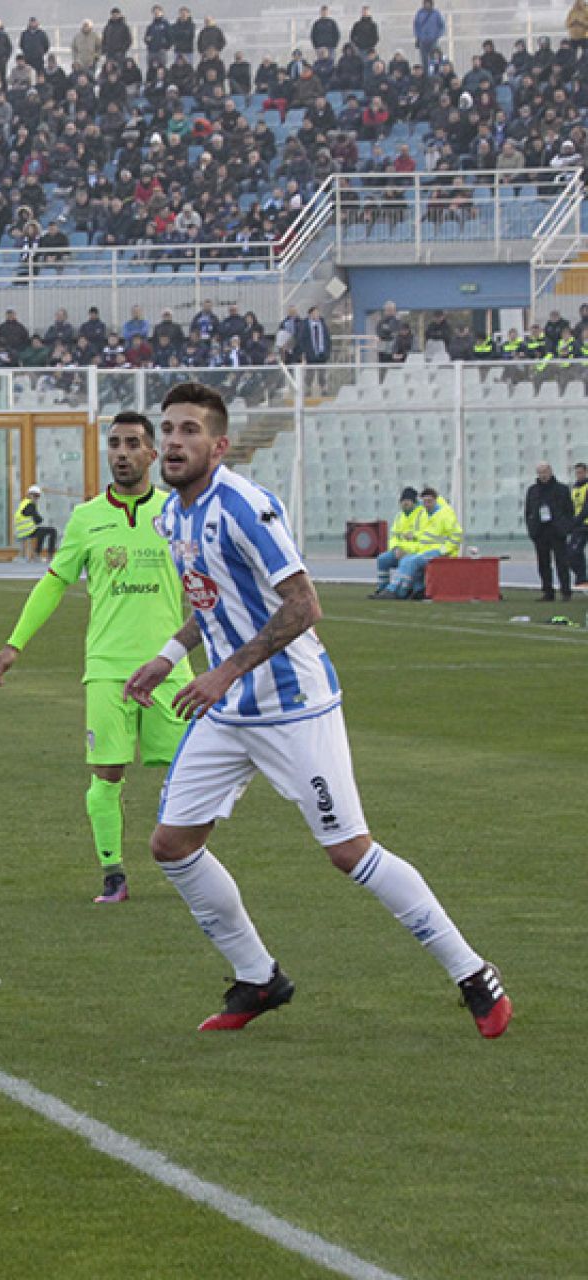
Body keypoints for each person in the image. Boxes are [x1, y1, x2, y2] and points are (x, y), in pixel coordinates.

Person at [122, 382, 510, 1038]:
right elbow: (215, 602)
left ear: (219, 445)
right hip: (230, 709)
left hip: (294, 705)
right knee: (172, 844)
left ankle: (473, 973)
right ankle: (258, 977)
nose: (175, 442)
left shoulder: (244, 506)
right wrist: (170, 655)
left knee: (349, 852)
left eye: (190, 431)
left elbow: (304, 605)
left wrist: (223, 670)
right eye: (169, 430)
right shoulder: (173, 516)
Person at [0, 413, 193, 904]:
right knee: (107, 774)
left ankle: (187, 864)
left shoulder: (178, 513)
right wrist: (15, 644)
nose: (121, 453)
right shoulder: (86, 518)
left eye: (133, 444)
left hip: (169, 667)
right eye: (114, 444)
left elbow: (209, 584)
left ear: (152, 454)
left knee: (190, 774)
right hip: (107, 669)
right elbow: (54, 582)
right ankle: (113, 874)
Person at [383, 486, 460, 600]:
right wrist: (413, 536)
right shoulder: (425, 514)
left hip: (440, 551)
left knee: (412, 561)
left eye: (429, 501)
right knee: (406, 559)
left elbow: (456, 535)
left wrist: (443, 551)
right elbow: (424, 535)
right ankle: (415, 590)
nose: (427, 504)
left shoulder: (445, 514)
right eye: (424, 502)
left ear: (435, 500)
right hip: (426, 550)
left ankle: (396, 591)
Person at [525, 462, 574, 601]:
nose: (543, 475)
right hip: (540, 531)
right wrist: (531, 529)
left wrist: (565, 527)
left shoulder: (562, 489)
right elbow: (528, 511)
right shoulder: (533, 490)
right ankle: (548, 591)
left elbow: (569, 510)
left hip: (557, 531)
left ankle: (566, 591)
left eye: (545, 471)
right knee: (543, 563)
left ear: (550, 471)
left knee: (562, 563)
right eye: (540, 472)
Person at [370, 486, 423, 598]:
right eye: (403, 501)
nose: (404, 503)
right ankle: (382, 589)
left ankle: (398, 590)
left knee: (406, 561)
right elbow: (393, 536)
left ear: (414, 502)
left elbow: (423, 539)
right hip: (399, 551)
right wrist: (395, 549)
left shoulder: (422, 515)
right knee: (382, 559)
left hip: (415, 552)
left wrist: (407, 551)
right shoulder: (399, 516)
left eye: (407, 501)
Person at [15, 484, 56, 560]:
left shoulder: (23, 503)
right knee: (52, 531)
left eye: (38, 496)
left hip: (21, 531)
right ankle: (50, 555)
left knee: (42, 532)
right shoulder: (30, 505)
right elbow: (38, 520)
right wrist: (40, 519)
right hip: (28, 531)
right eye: (36, 496)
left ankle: (37, 554)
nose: (36, 498)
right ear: (30, 495)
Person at [568, 461, 588, 590]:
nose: (579, 475)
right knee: (571, 553)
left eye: (581, 472)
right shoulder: (575, 488)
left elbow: (586, 508)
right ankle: (582, 579)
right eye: (577, 473)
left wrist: (576, 521)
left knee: (574, 552)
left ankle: (582, 579)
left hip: (584, 524)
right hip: (578, 526)